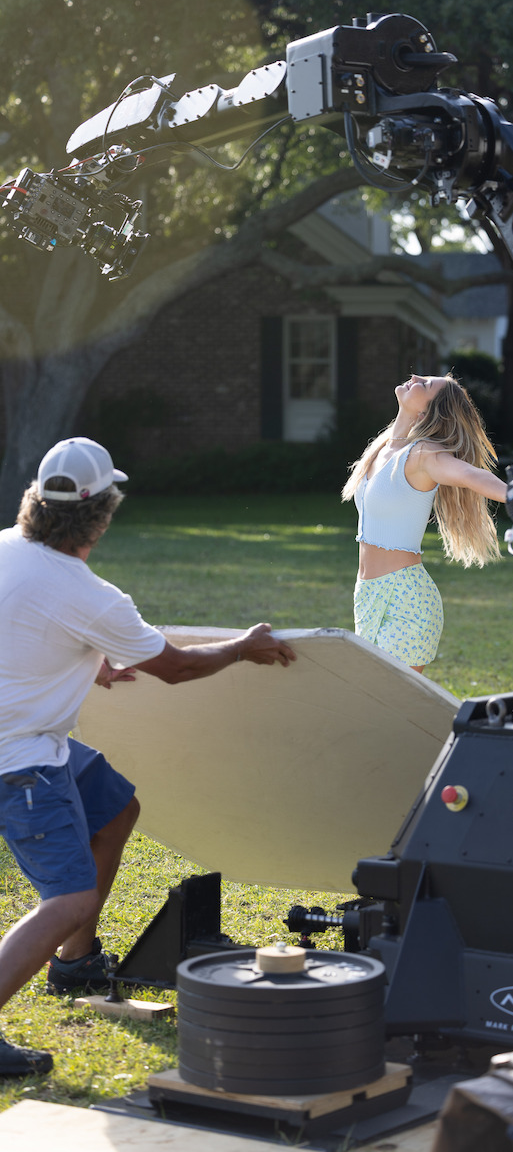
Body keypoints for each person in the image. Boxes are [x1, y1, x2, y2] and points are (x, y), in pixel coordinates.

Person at [0, 437, 296, 1078]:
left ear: (36, 501)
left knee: (115, 806)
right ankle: (65, 941)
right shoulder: (90, 595)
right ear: (102, 515)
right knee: (69, 898)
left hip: (29, 740)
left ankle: (75, 964)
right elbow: (180, 668)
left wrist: (80, 656)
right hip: (17, 760)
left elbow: (26, 622)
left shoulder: (6, 548)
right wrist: (242, 647)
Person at [342, 373, 507, 672]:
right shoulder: (382, 448)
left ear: (427, 411)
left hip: (406, 599)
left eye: (426, 384)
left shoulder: (423, 455)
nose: (415, 377)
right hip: (367, 593)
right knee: (373, 703)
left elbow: (471, 476)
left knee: (392, 705)